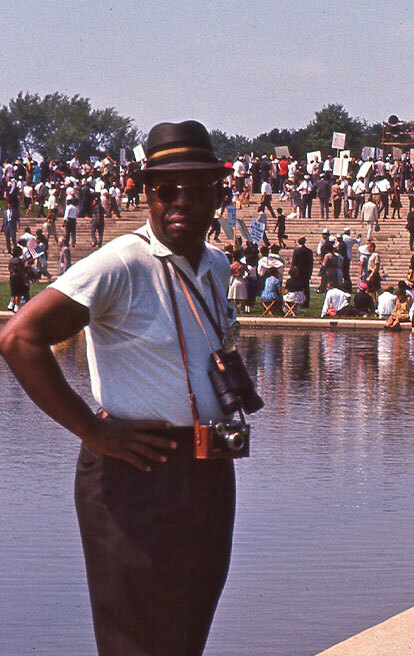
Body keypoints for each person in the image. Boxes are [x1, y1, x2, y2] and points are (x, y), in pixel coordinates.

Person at [0, 120, 244, 653]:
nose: (181, 202)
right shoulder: (121, 263)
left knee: (187, 632)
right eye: (167, 189)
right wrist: (92, 431)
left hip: (207, 467)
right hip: (136, 466)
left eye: (196, 189)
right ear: (146, 192)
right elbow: (19, 338)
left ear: (217, 193)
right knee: (135, 637)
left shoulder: (216, 264)